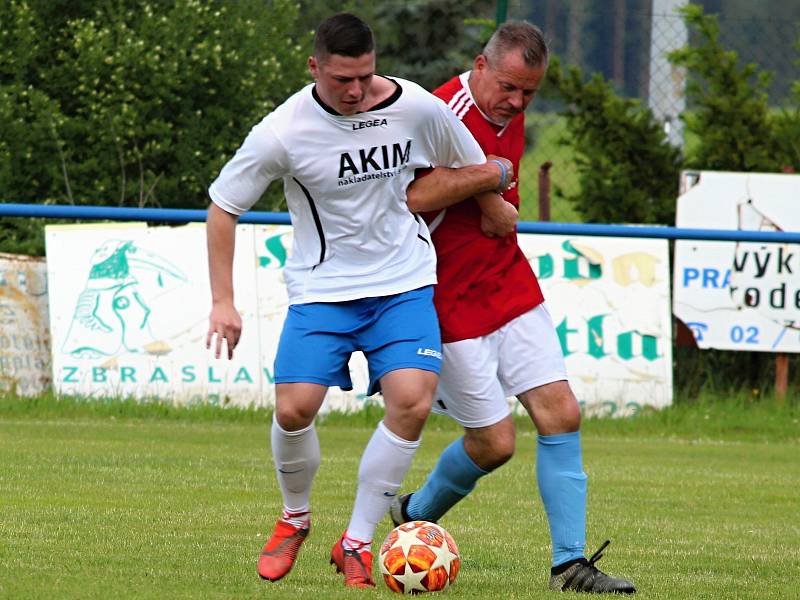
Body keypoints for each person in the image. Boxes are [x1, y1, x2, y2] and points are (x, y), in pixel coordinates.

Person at [205, 13, 519, 589]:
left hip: (403, 283)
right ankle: (294, 517)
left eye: (365, 78)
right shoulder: (283, 131)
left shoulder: (417, 106)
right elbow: (224, 206)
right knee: (294, 409)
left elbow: (472, 163)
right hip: (323, 290)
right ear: (315, 68)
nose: (355, 92)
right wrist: (223, 301)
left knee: (412, 401)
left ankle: (356, 540)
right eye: (341, 80)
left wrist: (495, 200)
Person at [389, 21, 637, 594]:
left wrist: (490, 194)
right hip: (448, 297)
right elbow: (413, 196)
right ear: (479, 65)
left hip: (507, 279)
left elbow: (485, 171)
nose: (517, 102)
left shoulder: (509, 105)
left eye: (529, 92)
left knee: (562, 414)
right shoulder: (437, 112)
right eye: (508, 87)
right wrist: (490, 185)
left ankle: (569, 565)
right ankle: (415, 512)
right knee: (494, 445)